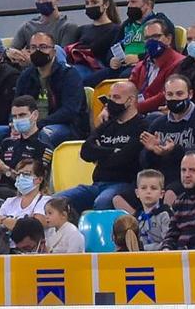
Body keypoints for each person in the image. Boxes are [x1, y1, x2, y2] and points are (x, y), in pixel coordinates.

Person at [61, 79, 147, 211]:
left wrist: (100, 152)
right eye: (110, 97)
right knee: (57, 201)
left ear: (130, 100)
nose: (110, 102)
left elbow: (124, 159)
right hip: (96, 184)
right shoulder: (106, 124)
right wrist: (112, 151)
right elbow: (86, 151)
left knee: (102, 202)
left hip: (123, 185)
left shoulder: (142, 125)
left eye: (116, 97)